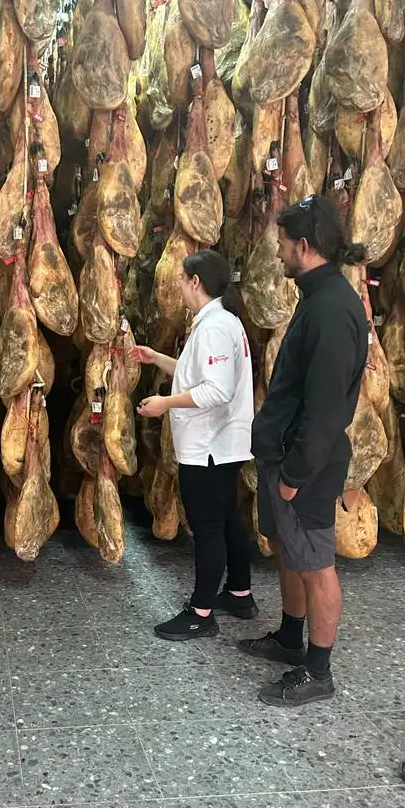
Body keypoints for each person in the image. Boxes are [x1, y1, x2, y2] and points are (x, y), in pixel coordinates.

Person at [240, 196, 368, 708]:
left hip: (306, 465)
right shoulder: (317, 299)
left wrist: (294, 474)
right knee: (290, 556)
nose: (278, 255)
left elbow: (327, 409)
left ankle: (318, 670)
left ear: (305, 246)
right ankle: (291, 636)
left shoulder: (334, 310)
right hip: (287, 457)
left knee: (316, 566)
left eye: (283, 246)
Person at [133, 249, 256, 641]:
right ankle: (240, 593)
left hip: (210, 446)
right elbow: (195, 374)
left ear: (195, 282)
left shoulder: (216, 326)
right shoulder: (218, 322)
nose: (179, 288)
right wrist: (157, 359)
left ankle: (200, 613)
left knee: (207, 529)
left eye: (182, 281)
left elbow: (216, 390)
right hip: (219, 444)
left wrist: (164, 404)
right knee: (227, 520)